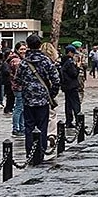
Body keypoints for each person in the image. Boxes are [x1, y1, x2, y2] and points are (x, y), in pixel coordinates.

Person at [18, 34, 59, 162]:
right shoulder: (46, 61)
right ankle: (41, 151)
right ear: (40, 45)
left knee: (29, 127)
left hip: (28, 100)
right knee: (42, 126)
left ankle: (30, 153)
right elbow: (56, 80)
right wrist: (51, 94)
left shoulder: (24, 62)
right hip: (43, 100)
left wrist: (26, 88)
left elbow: (17, 79)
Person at [60, 42, 83, 129]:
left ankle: (69, 121)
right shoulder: (69, 62)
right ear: (70, 52)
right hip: (72, 85)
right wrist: (77, 67)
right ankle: (79, 121)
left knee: (68, 104)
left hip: (66, 86)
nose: (74, 55)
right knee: (75, 103)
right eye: (73, 53)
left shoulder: (63, 61)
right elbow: (73, 74)